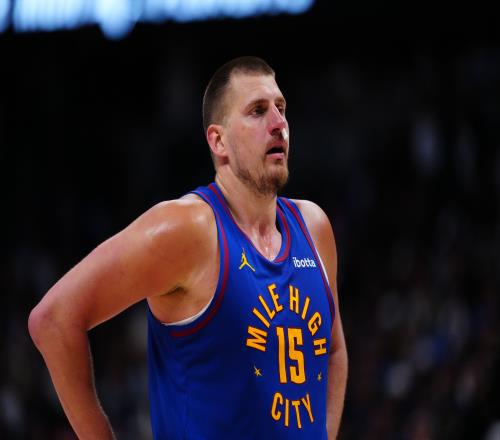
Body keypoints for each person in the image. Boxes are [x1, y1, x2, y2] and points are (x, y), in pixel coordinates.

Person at [28, 56, 348, 439]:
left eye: (281, 108)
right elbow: (53, 320)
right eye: (258, 111)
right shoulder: (187, 229)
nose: (278, 123)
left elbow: (333, 352)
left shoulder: (313, 226)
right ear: (218, 141)